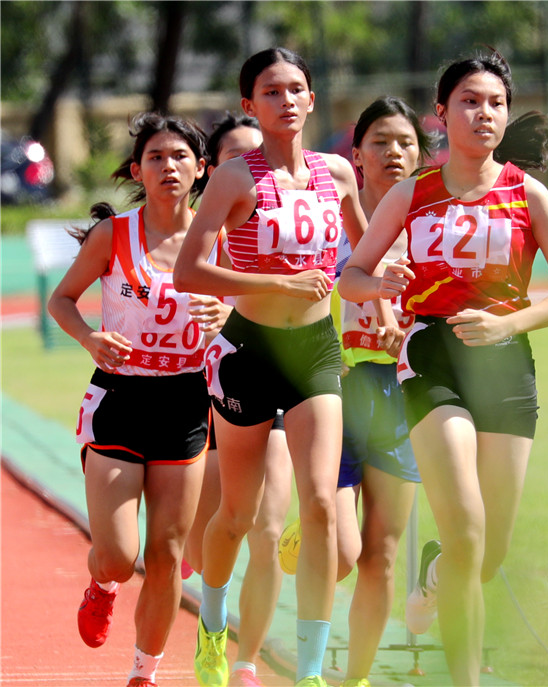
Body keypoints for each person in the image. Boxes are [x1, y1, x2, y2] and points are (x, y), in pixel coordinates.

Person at [338, 52, 548, 686]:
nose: (484, 113)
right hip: (432, 359)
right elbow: (350, 278)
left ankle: (435, 572)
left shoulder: (526, 194)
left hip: (507, 363)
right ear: (441, 116)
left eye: (495, 103)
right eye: (470, 102)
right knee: (469, 530)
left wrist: (509, 323)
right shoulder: (411, 193)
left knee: (486, 551)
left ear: (506, 116)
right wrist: (380, 282)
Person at [174, 47, 367, 687]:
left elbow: (360, 261)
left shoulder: (337, 174)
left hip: (315, 353)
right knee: (236, 515)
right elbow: (189, 270)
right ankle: (212, 625)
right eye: (271, 91)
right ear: (248, 105)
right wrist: (278, 285)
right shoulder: (234, 178)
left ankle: (311, 670)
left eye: (297, 89)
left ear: (312, 99)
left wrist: (383, 286)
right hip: (248, 350)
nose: (286, 100)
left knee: (318, 506)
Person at [47, 112, 226, 687]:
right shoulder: (113, 235)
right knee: (120, 558)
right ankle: (101, 586)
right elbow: (63, 300)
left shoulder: (217, 237)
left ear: (201, 169)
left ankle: (143, 675)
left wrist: (227, 312)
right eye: (156, 157)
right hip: (120, 399)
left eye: (180, 157)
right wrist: (90, 337)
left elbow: (251, 312)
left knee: (169, 556)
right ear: (137, 170)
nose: (168, 166)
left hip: (185, 406)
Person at [182, 111, 294, 687]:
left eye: (259, 153)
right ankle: (212, 626)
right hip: (207, 395)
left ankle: (246, 659)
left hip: (278, 382)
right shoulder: (195, 235)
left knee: (269, 529)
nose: (253, 165)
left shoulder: (290, 227)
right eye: (235, 157)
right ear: (214, 171)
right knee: (213, 538)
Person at [322, 96, 430, 687]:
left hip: (401, 392)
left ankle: (355, 677)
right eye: (380, 142)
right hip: (336, 389)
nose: (394, 152)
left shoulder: (431, 225)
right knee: (341, 553)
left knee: (381, 554)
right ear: (356, 152)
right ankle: (310, 532)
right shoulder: (329, 219)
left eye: (406, 143)